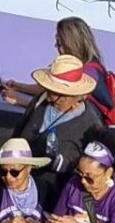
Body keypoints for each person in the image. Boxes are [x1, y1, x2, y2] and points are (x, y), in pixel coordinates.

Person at [9, 55, 105, 204]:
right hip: (16, 187)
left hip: (54, 197)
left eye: (59, 95)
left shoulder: (91, 124)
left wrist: (61, 163)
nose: (51, 98)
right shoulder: (41, 100)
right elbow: (18, 134)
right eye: (50, 91)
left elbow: (95, 171)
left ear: (76, 96)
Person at [48, 131, 115, 223]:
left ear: (108, 173)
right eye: (79, 173)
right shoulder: (73, 184)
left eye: (89, 178)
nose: (83, 181)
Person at [0, 138, 50, 223]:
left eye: (14, 172)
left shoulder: (47, 191)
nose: (8, 177)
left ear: (29, 168)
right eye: (3, 172)